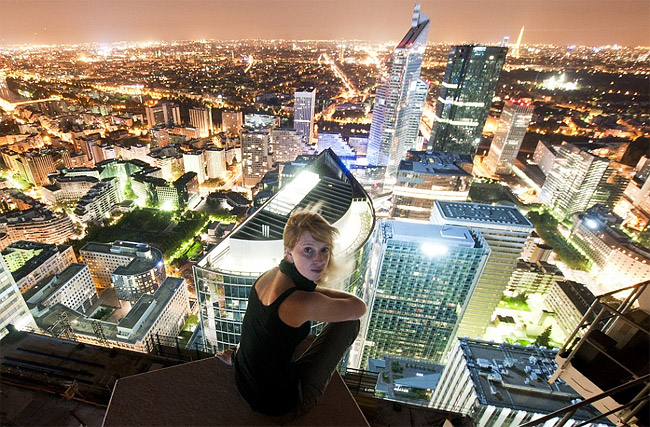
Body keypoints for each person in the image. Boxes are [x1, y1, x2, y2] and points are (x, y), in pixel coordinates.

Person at [228, 211, 366, 419]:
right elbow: (358, 307)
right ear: (289, 252)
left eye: (324, 250)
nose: (319, 260)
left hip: (243, 379)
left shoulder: (269, 275)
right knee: (349, 323)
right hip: (278, 404)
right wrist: (314, 293)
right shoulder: (301, 302)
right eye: (308, 250)